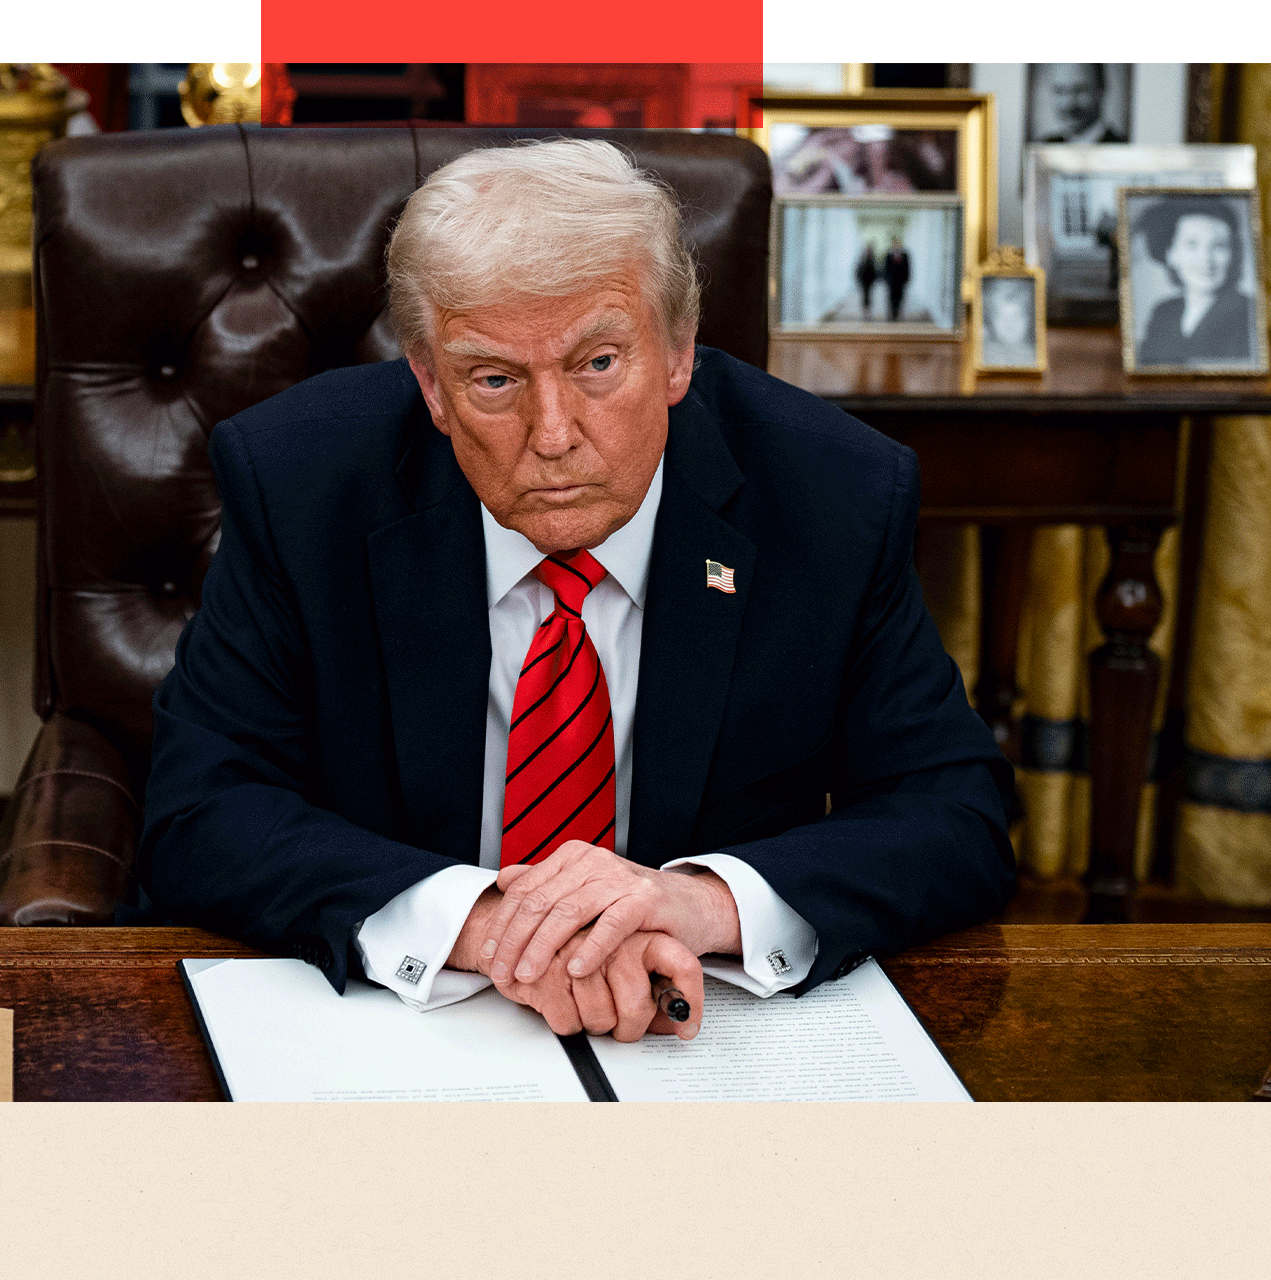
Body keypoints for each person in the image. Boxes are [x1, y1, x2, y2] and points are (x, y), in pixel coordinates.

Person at [137, 139, 1015, 1045]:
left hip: (701, 1040)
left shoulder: (833, 496)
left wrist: (697, 903)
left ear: (678, 355)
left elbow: (955, 814)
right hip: (407, 1031)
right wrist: (490, 928)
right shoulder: (299, 483)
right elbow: (203, 809)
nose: (552, 435)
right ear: (431, 386)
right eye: (494, 380)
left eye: (598, 364)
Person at [1133, 196, 1255, 366]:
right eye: (1192, 245)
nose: (1206, 260)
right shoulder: (1163, 313)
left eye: (1219, 246)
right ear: (1171, 254)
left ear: (1233, 254)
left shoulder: (1249, 313)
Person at [1034, 64, 1127, 144]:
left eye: (1079, 90)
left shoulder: (1124, 150)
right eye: (1060, 91)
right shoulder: (1043, 147)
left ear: (1101, 89)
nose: (1068, 104)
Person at [980, 277, 1037, 367]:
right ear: (990, 322)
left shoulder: (1035, 356)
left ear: (1029, 319)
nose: (1010, 325)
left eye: (1017, 317)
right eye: (1003, 319)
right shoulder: (984, 354)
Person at [884, 236, 912, 321]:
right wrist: (887, 280)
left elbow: (908, 268)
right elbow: (886, 269)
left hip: (901, 281)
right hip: (892, 281)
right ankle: (892, 314)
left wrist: (907, 279)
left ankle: (898, 313)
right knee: (891, 298)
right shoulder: (889, 255)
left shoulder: (905, 255)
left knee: (900, 298)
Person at [855, 243, 878, 316]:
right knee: (865, 296)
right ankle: (865, 310)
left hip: (870, 280)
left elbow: (874, 271)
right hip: (863, 280)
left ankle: (867, 310)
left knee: (868, 295)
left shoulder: (872, 259)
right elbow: (858, 270)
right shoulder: (863, 258)